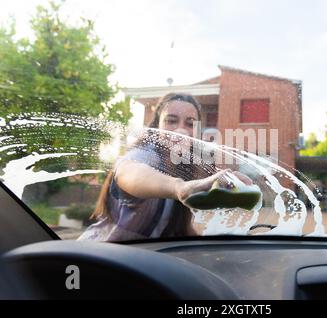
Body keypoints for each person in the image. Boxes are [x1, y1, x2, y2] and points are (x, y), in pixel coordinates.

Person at [79, 93, 251, 242]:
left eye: (190, 124)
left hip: (146, 265)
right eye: (171, 121)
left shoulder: (187, 167)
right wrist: (179, 187)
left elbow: (178, 230)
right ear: (156, 126)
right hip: (97, 259)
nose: (180, 130)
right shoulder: (146, 154)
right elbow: (128, 171)